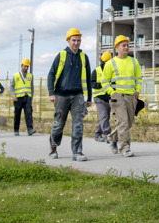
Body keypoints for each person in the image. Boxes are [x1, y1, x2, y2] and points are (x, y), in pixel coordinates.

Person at [47, 28, 92, 161]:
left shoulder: (84, 57)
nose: (76, 43)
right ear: (68, 41)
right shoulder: (61, 56)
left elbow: (88, 79)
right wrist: (51, 93)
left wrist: (89, 98)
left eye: (78, 40)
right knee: (58, 123)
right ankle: (53, 147)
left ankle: (77, 152)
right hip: (61, 95)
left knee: (78, 124)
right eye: (74, 40)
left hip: (78, 95)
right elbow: (51, 75)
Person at [102, 35, 142, 157]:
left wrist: (137, 90)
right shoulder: (110, 63)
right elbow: (104, 82)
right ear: (117, 47)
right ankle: (125, 147)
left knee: (128, 123)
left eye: (127, 45)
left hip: (131, 97)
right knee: (123, 122)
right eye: (123, 45)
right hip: (117, 97)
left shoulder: (134, 62)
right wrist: (111, 92)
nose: (126, 47)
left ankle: (112, 138)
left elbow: (138, 78)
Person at [92, 52, 112, 142]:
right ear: (103, 62)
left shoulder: (112, 72)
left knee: (105, 117)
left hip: (108, 98)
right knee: (104, 116)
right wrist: (99, 85)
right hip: (98, 97)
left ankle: (97, 133)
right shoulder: (96, 71)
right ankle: (108, 135)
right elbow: (91, 83)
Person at [12, 59, 36, 136]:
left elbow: (32, 87)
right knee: (17, 114)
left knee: (29, 113)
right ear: (21, 66)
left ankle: (30, 129)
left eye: (27, 66)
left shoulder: (30, 76)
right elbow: (11, 87)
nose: (26, 68)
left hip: (27, 98)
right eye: (25, 66)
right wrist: (13, 95)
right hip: (18, 98)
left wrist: (31, 97)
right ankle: (16, 130)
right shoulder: (16, 76)